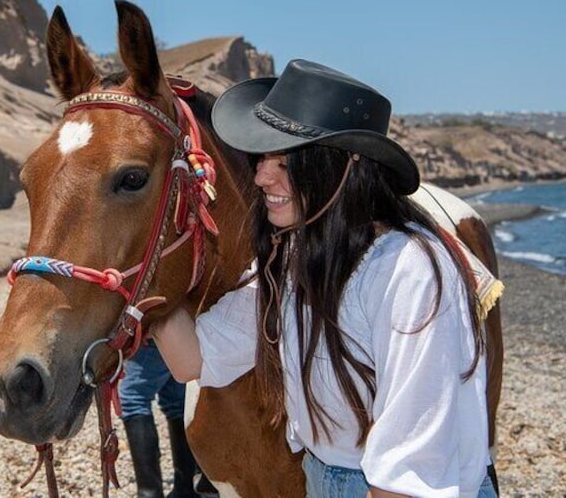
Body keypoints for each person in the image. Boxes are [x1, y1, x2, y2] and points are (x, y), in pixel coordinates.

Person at [152, 59, 502, 497]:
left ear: (342, 166)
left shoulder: (410, 274)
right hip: (328, 478)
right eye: (261, 158)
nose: (260, 177)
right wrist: (150, 277)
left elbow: (409, 477)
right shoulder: (297, 256)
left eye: (282, 161)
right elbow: (194, 360)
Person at [120, 339, 215, 498]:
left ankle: (149, 493)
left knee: (133, 398)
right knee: (175, 401)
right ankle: (186, 489)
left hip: (154, 330)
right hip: (178, 330)